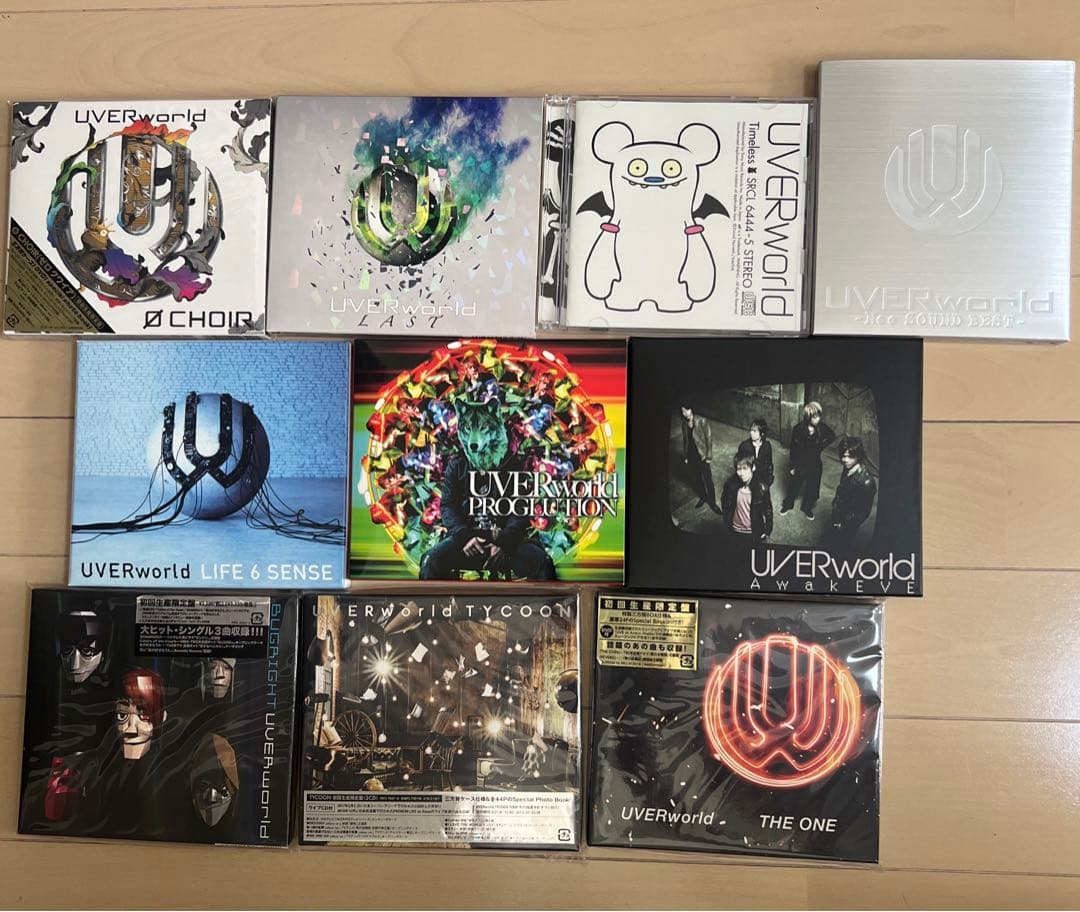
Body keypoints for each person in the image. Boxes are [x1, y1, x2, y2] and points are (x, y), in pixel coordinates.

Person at [781, 401, 836, 520]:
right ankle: (788, 504)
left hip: (814, 463)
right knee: (794, 485)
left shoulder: (822, 428)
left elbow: (832, 436)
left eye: (819, 416)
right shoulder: (798, 429)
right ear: (808, 417)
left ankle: (807, 508)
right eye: (815, 417)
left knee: (813, 487)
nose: (818, 419)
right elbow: (793, 449)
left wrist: (821, 446)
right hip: (800, 463)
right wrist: (792, 466)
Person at [831, 436, 877, 551]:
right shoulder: (848, 467)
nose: (845, 460)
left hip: (848, 522)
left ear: (858, 456)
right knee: (836, 539)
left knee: (843, 544)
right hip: (840, 511)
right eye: (843, 456)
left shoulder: (867, 483)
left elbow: (863, 513)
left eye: (850, 456)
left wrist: (844, 523)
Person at [721, 456, 773, 544]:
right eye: (738, 469)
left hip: (753, 531)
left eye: (745, 468)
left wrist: (767, 530)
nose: (741, 473)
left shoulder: (762, 488)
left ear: (753, 468)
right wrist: (727, 520)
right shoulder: (730, 485)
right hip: (734, 529)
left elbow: (768, 509)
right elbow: (725, 502)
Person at [679, 404, 720, 513]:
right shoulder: (684, 423)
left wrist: (709, 456)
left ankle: (712, 503)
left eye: (686, 410)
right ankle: (703, 497)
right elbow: (685, 440)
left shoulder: (702, 420)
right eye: (683, 412)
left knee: (708, 479)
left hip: (702, 455)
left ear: (691, 409)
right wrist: (686, 456)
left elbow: (709, 438)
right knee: (697, 478)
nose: (685, 414)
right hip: (691, 455)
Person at [736, 418, 774, 488]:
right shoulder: (744, 446)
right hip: (748, 481)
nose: (751, 433)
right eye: (751, 430)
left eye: (754, 431)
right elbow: (739, 466)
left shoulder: (767, 446)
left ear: (762, 434)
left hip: (762, 480)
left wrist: (767, 483)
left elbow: (769, 465)